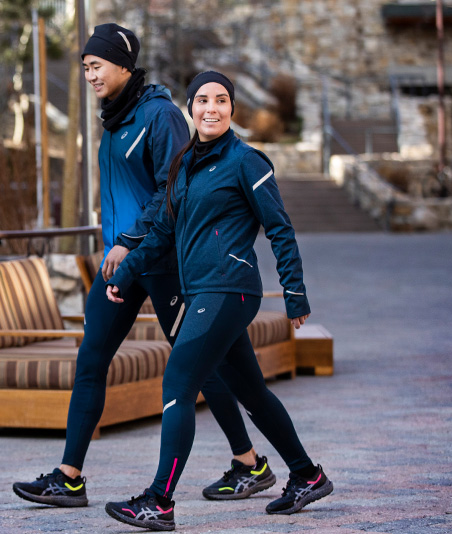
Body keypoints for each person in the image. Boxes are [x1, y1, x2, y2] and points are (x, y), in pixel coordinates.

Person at [13, 25, 275, 510]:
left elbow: (173, 189)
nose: (90, 74)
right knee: (91, 360)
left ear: (124, 66)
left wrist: (132, 243)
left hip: (162, 261)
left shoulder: (160, 116)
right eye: (86, 67)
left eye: (97, 66)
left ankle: (249, 462)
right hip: (122, 265)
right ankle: (69, 477)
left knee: (203, 367)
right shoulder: (113, 120)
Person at [102, 70, 334, 531]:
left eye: (222, 100)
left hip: (230, 288)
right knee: (251, 391)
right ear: (191, 109)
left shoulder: (246, 160)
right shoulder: (185, 162)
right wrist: (128, 271)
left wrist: (294, 292)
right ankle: (308, 475)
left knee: (179, 384)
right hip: (203, 290)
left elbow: (280, 228)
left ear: (232, 110)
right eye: (203, 99)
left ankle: (159, 501)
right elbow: (164, 230)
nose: (212, 107)